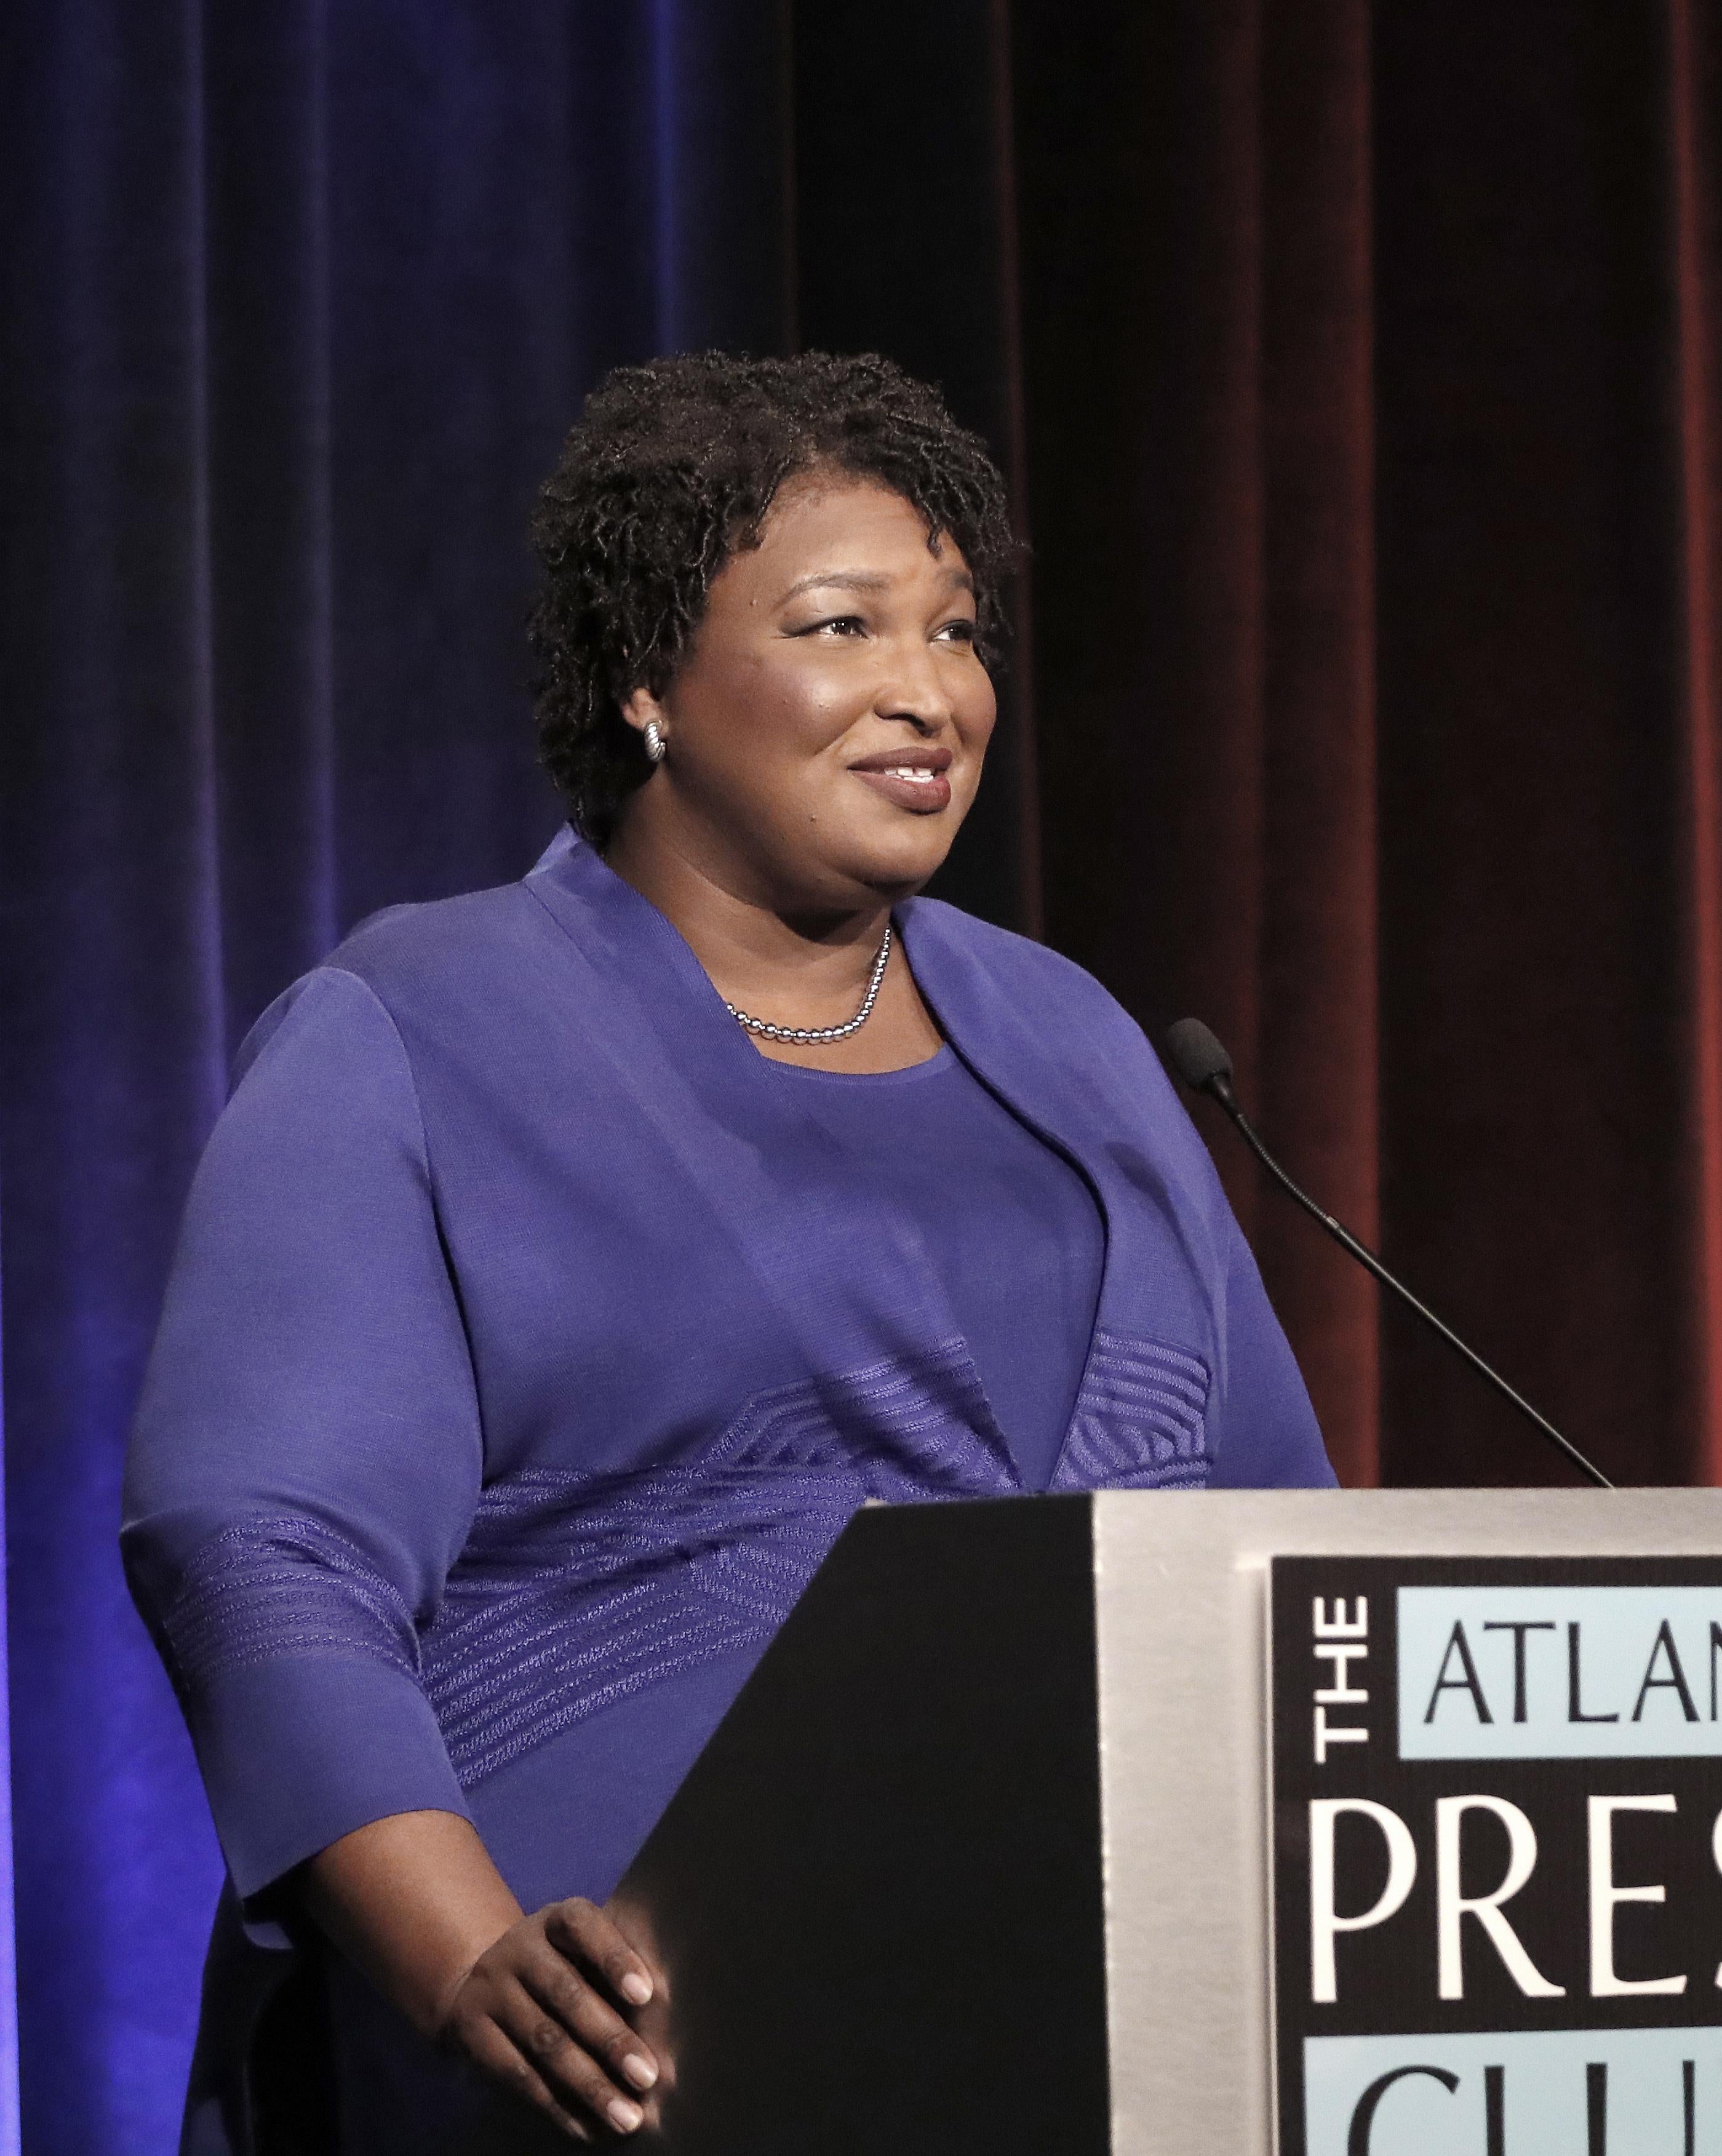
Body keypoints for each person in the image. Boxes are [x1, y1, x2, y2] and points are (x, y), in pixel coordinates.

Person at [123, 351, 1337, 2150]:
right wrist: (462, 1960)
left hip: (1116, 2043)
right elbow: (264, 1550)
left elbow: (1275, 1547)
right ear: (648, 683)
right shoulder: (422, 1028)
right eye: (845, 628)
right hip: (619, 2080)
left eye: (960, 633)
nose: (931, 694)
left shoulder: (1078, 1043)